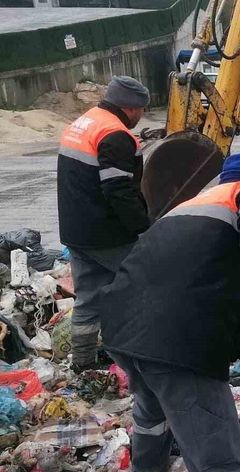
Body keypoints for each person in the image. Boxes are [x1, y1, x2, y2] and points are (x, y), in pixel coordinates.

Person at [100, 152, 240, 472]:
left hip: (121, 327)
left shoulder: (190, 207)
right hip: (174, 341)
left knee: (152, 404)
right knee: (223, 459)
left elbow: (202, 290)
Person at [57, 75, 151, 370]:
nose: (141, 116)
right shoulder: (116, 135)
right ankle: (142, 357)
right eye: (142, 110)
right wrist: (145, 229)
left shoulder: (84, 122)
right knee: (148, 286)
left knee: (88, 300)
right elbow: (118, 190)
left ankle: (82, 365)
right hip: (106, 235)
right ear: (132, 108)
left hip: (77, 232)